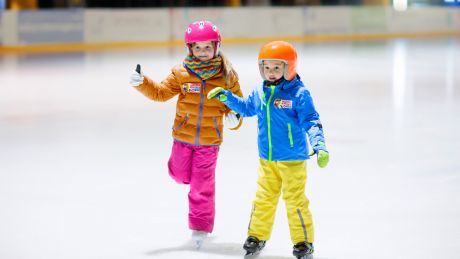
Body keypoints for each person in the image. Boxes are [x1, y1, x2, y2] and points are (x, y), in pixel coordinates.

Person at [207, 41, 329, 259]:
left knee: (295, 200)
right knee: (263, 198)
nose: (271, 73)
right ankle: (256, 236)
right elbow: (247, 108)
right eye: (267, 67)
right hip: (267, 159)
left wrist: (319, 145)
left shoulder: (299, 94)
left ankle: (303, 242)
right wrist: (227, 97)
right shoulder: (260, 91)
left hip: (292, 159)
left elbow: (311, 121)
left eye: (276, 67)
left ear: (289, 67)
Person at [129, 20, 243, 248]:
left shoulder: (226, 76)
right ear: (190, 49)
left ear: (216, 47)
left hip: (210, 142)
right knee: (179, 174)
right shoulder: (181, 73)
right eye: (197, 47)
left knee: (202, 186)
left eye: (207, 47)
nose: (203, 52)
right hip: (183, 137)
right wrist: (142, 83)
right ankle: (187, 178)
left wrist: (236, 119)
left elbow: (238, 104)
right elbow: (161, 93)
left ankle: (200, 228)